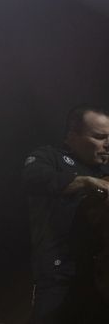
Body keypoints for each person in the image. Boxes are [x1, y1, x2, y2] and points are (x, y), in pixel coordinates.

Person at [22, 104, 109, 323]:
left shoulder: (106, 171)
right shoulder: (48, 157)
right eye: (100, 137)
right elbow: (33, 178)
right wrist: (83, 182)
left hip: (98, 277)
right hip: (58, 275)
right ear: (72, 136)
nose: (107, 144)